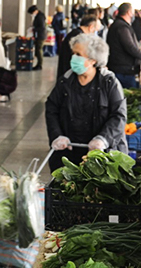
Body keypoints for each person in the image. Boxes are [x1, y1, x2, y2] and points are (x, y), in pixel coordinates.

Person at [46, 34, 128, 172]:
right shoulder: (65, 81)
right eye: (73, 53)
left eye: (78, 54)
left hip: (103, 156)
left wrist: (103, 139)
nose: (73, 58)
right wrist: (57, 135)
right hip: (69, 154)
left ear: (92, 60)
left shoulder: (109, 83)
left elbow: (119, 115)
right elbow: (51, 108)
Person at [106, 2, 141, 89]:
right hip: (123, 70)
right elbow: (130, 47)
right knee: (126, 96)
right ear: (129, 12)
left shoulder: (119, 25)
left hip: (120, 68)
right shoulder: (122, 27)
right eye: (132, 11)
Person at [57, 13, 101, 80]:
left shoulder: (75, 33)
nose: (95, 34)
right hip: (69, 76)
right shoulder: (79, 38)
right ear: (91, 27)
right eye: (95, 31)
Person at [27, 5, 47, 71]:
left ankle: (40, 64)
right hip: (39, 35)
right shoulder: (39, 16)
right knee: (38, 50)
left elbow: (41, 27)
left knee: (39, 50)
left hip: (40, 36)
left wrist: (34, 29)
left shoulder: (40, 17)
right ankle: (39, 64)